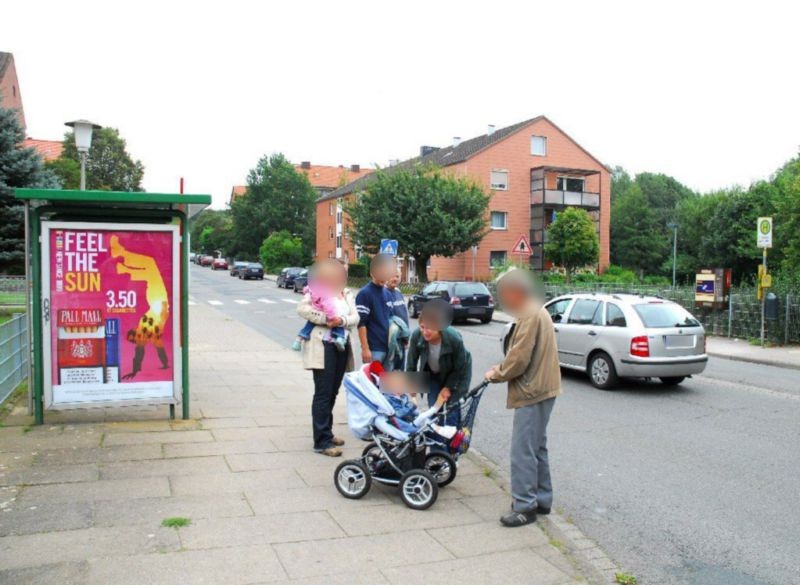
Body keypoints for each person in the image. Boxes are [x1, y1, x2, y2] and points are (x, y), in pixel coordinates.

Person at [484, 269, 561, 527]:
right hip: (544, 387)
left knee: (522, 450)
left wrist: (497, 373)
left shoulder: (528, 313)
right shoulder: (535, 310)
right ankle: (541, 499)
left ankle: (525, 506)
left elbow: (519, 358)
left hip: (532, 390)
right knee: (537, 447)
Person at [297, 260, 360, 457]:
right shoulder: (317, 289)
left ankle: (327, 432)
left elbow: (355, 317)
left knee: (333, 391)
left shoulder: (347, 292)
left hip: (342, 344)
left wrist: (341, 320)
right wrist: (327, 319)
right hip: (323, 345)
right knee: (323, 393)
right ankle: (321, 441)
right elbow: (303, 310)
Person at [405, 299, 472, 428]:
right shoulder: (416, 336)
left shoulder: (454, 338)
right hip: (433, 374)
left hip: (457, 374)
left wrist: (449, 387)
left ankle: (451, 443)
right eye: (422, 327)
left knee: (452, 409)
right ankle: (436, 444)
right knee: (434, 408)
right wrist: (412, 387)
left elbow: (459, 368)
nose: (425, 332)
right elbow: (411, 363)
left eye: (429, 328)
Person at [356, 254, 395, 366]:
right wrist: (365, 348)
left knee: (386, 383)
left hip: (388, 348)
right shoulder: (365, 293)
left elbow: (391, 320)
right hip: (374, 349)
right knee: (371, 382)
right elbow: (361, 323)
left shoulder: (388, 293)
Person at [292, 275, 347, 352]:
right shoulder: (326, 291)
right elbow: (328, 305)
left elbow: (307, 289)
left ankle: (298, 339)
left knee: (309, 325)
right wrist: (331, 317)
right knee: (338, 321)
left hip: (315, 308)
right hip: (324, 311)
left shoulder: (314, 286)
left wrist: (306, 290)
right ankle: (340, 337)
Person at [384, 270, 410, 371]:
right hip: (390, 340)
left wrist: (407, 338)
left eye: (397, 276)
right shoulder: (383, 293)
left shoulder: (398, 292)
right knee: (390, 369)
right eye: (392, 276)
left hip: (402, 339)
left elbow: (404, 315)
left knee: (400, 369)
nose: (395, 279)